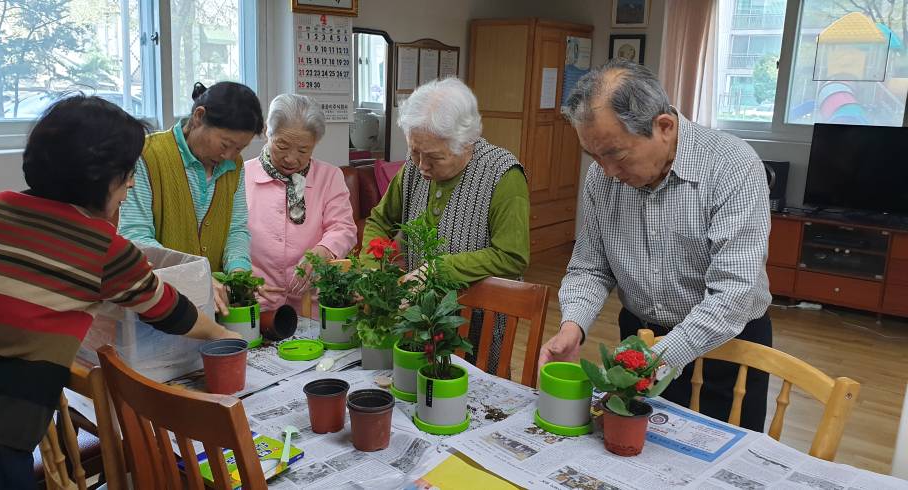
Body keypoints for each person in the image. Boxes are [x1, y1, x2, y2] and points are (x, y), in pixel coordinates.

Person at [0, 96, 241, 489]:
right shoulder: (101, 249)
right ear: (100, 176)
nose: (132, 183)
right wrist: (221, 335)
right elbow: (169, 311)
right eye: (128, 172)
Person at [538, 59, 772, 431]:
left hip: (726, 345)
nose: (606, 170)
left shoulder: (732, 166)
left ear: (663, 126)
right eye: (594, 156)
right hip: (640, 336)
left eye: (616, 154)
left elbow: (734, 292)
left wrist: (658, 357)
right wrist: (573, 326)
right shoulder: (603, 177)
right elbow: (590, 267)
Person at [363, 77, 530, 369]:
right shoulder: (415, 167)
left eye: (434, 158)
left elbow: (512, 255)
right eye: (414, 152)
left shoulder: (502, 174)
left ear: (466, 144)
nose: (421, 166)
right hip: (416, 319)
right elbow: (379, 220)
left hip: (475, 321)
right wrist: (371, 269)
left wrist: (439, 270)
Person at [119, 81, 264, 315]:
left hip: (214, 306)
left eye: (240, 149)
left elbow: (235, 229)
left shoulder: (233, 166)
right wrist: (194, 278)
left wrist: (239, 272)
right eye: (225, 144)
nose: (229, 156)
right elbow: (136, 236)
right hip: (160, 303)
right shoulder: (147, 155)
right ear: (198, 116)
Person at [244, 94, 357, 314]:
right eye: (282, 146)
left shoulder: (329, 176)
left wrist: (322, 252)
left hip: (312, 300)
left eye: (303, 151)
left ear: (315, 143)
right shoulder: (241, 176)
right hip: (256, 298)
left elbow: (343, 228)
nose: (291, 159)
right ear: (268, 132)